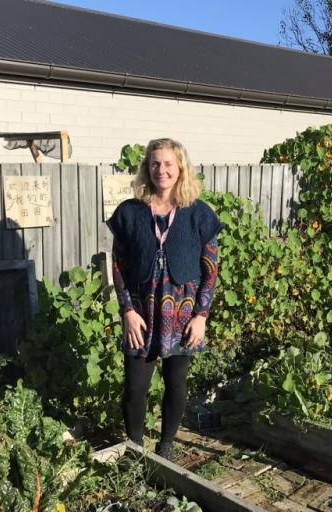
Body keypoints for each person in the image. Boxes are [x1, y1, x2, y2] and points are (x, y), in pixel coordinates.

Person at [106, 138, 222, 460]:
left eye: (168, 163)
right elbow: (117, 266)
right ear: (147, 168)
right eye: (155, 163)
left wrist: (201, 315)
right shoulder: (129, 213)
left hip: (183, 314)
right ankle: (135, 447)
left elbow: (210, 269)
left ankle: (167, 443)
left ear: (180, 167)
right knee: (134, 386)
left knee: (177, 382)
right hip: (141, 312)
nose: (162, 170)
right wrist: (127, 311)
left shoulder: (199, 214)